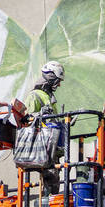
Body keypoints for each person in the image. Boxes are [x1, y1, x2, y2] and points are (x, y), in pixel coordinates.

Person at [24, 61, 65, 198]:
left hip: (52, 149)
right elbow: (27, 121)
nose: (59, 85)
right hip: (42, 148)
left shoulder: (49, 97)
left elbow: (52, 122)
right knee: (50, 181)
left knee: (54, 183)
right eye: (57, 81)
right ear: (51, 77)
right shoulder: (34, 96)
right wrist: (39, 114)